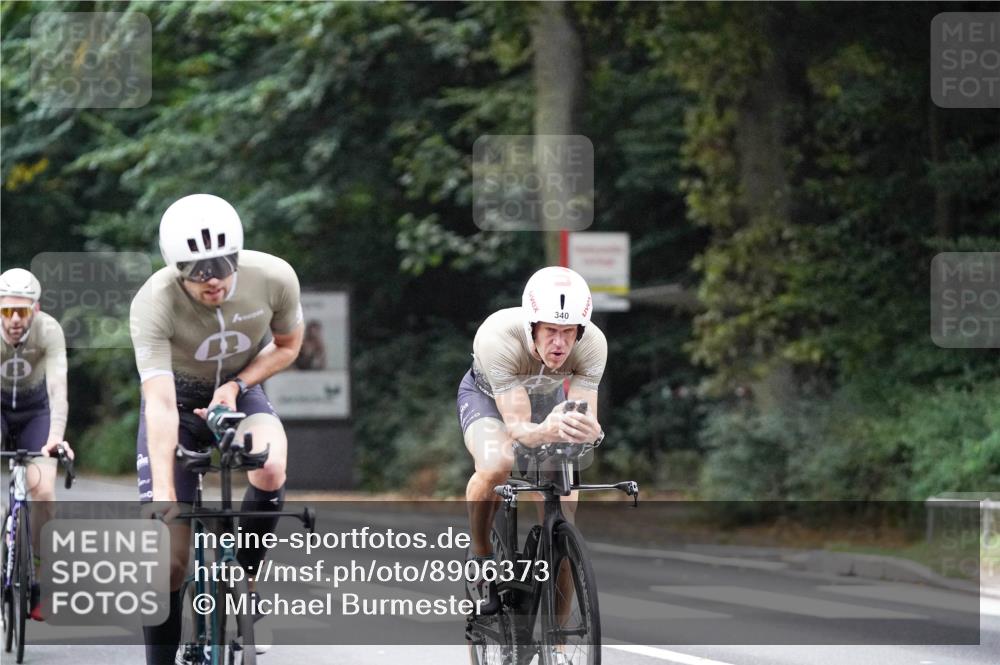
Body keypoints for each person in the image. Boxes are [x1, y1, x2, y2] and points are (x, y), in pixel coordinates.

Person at [129, 194, 304, 665]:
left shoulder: (273, 277)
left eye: (224, 264)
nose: (214, 279)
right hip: (178, 406)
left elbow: (288, 345)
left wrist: (237, 384)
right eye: (197, 270)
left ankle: (243, 586)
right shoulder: (153, 301)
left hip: (236, 394)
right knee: (169, 560)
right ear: (175, 267)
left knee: (271, 466)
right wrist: (164, 494)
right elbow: (160, 402)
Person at [458, 266, 606, 613]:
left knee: (565, 522)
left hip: (546, 401)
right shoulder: (498, 338)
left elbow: (587, 416)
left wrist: (593, 432)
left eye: (569, 332)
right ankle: (481, 551)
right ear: (531, 326)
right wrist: (548, 429)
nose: (560, 343)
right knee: (497, 463)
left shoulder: (594, 344)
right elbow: (518, 428)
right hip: (489, 401)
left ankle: (557, 642)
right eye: (551, 331)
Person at [0, 267, 74, 621]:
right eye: (6, 310)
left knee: (43, 490)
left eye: (23, 310)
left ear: (36, 309)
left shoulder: (49, 331)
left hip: (36, 413)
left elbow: (58, 387)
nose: (15, 319)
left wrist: (56, 437)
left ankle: (40, 580)